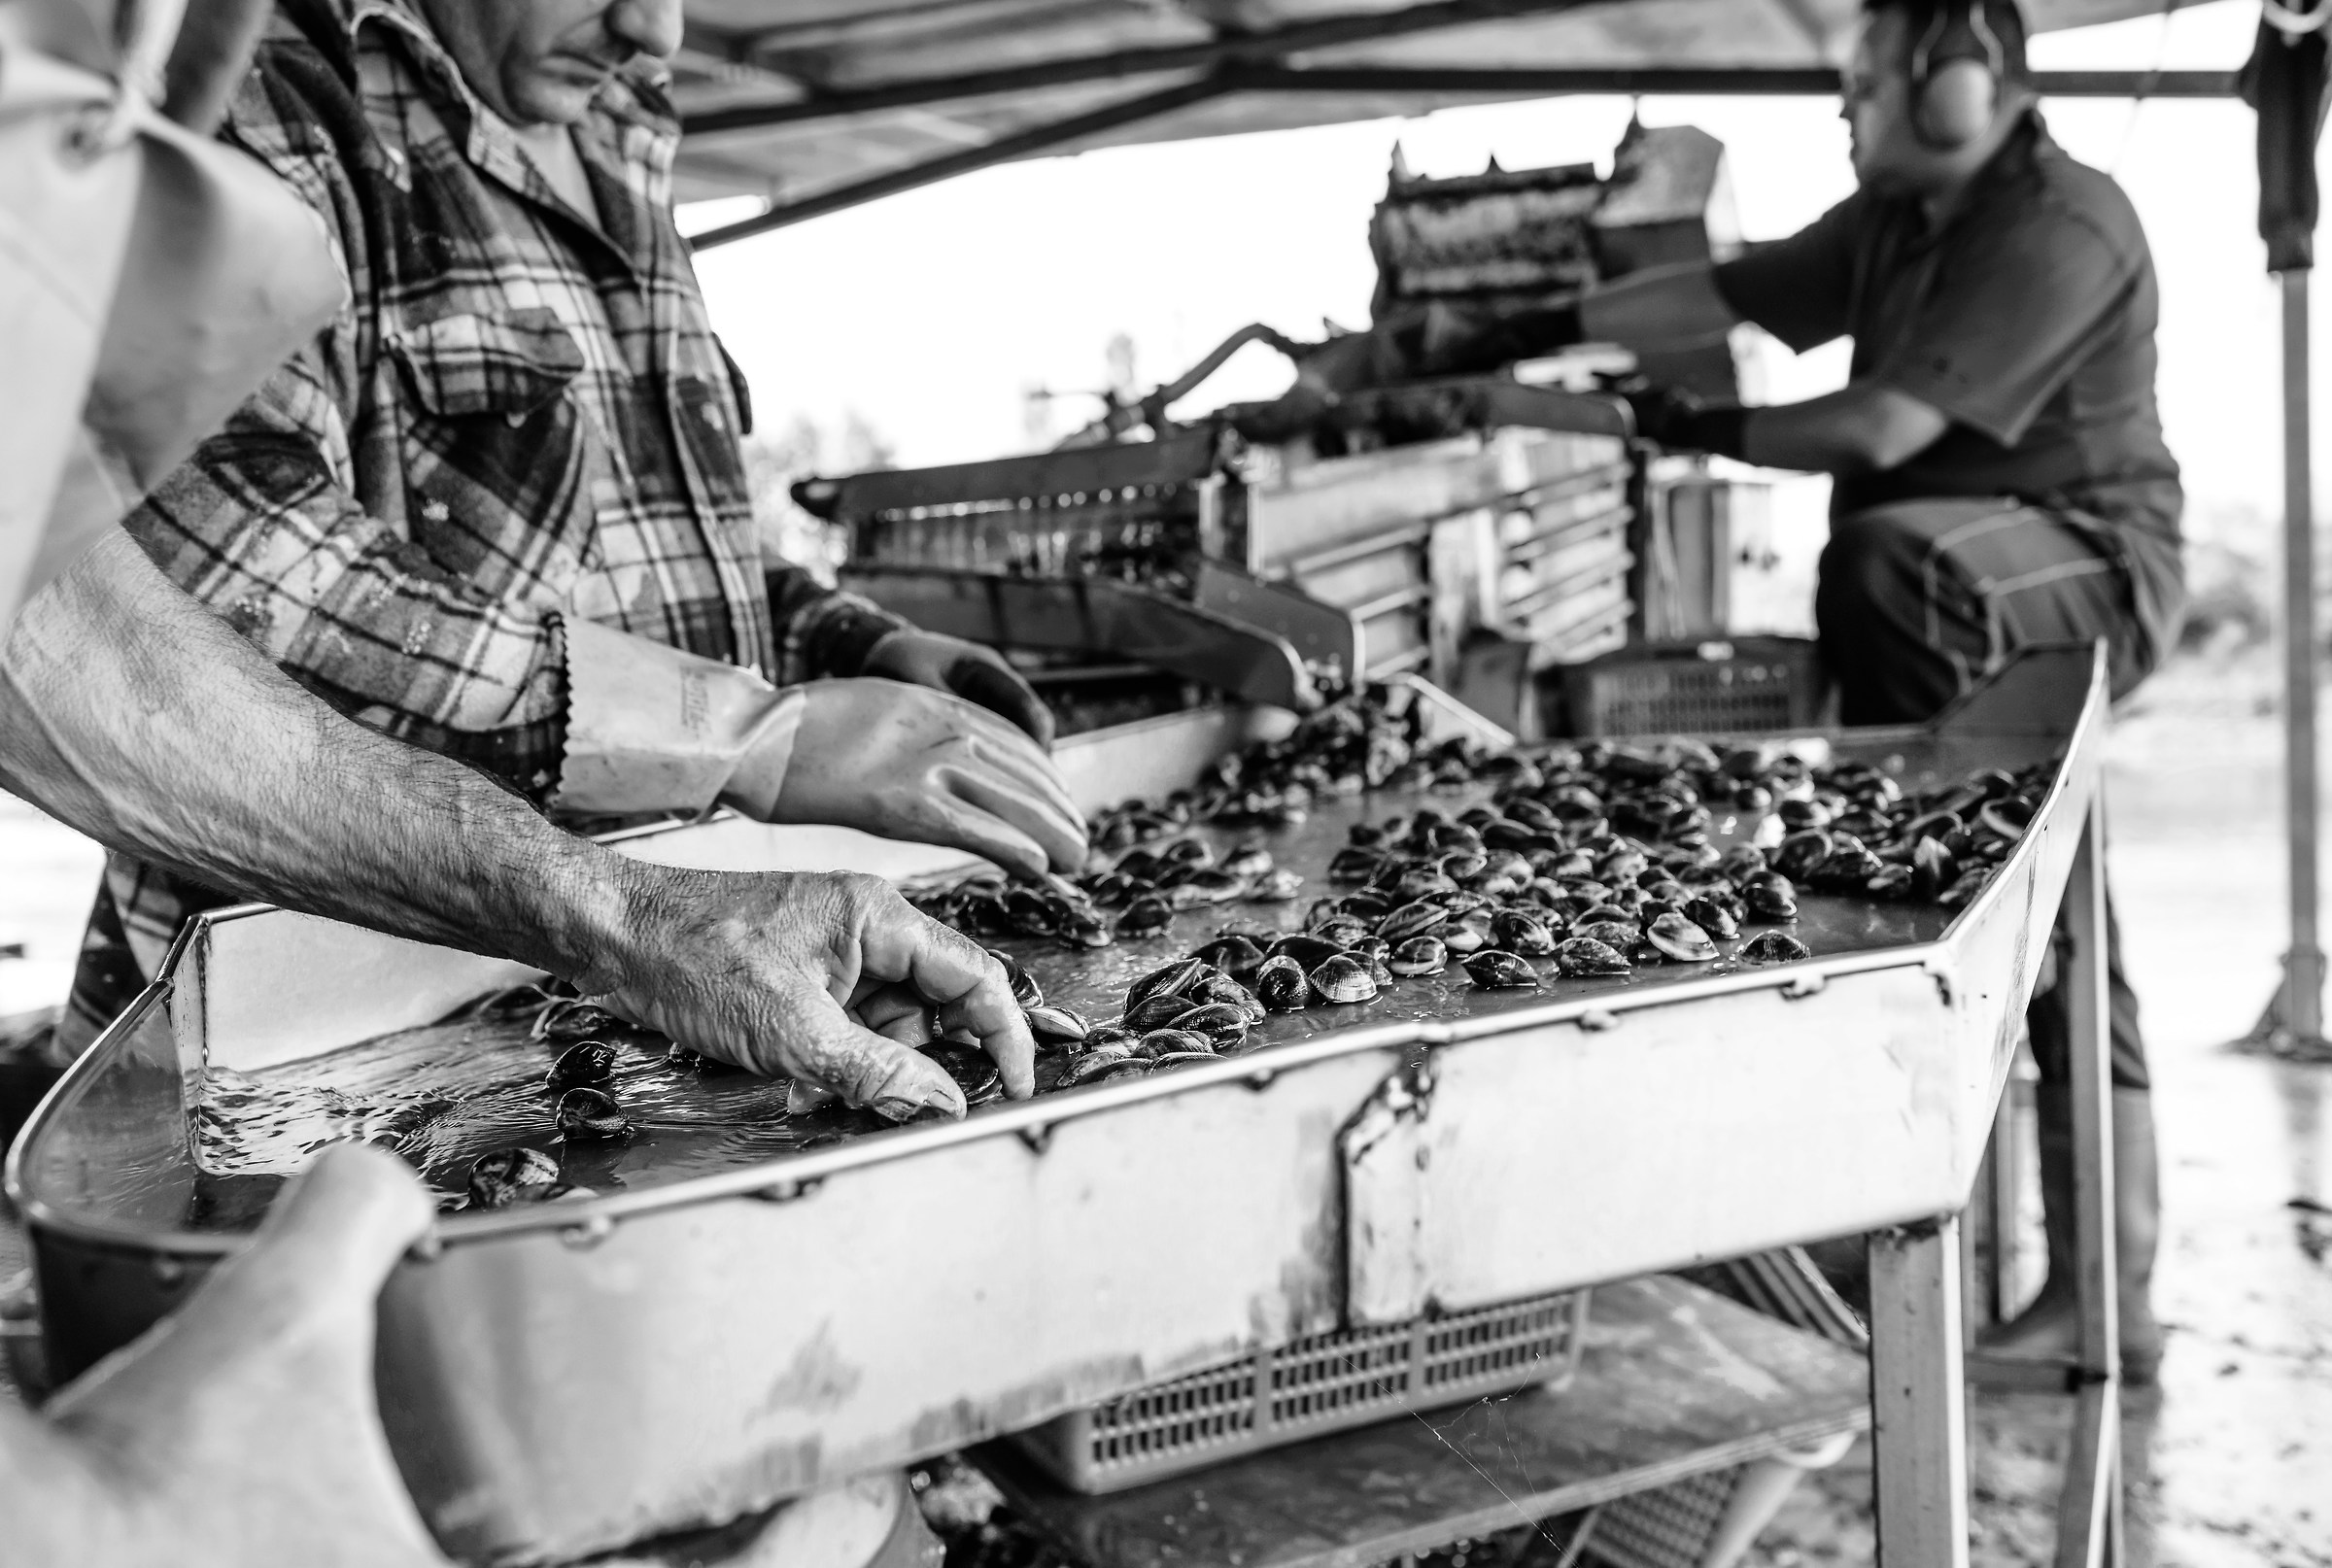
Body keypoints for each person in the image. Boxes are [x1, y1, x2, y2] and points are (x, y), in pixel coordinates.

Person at [50, 0, 1087, 1069]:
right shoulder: (264, 84)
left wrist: (839, 645)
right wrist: (750, 728)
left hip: (645, 969)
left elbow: (645, 536)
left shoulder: (619, 117)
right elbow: (223, 571)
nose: (659, 31)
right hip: (304, 1018)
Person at [1372, 0, 2174, 1379]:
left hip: (2077, 578)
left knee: (2048, 905)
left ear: (1960, 87)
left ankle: (2111, 1293)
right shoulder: (1887, 226)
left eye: (1865, 81)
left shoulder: (2062, 220)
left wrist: (1689, 423)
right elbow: (1716, 295)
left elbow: (1881, 427)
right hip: (1934, 595)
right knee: (1930, 837)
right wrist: (1499, 340)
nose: (1845, 108)